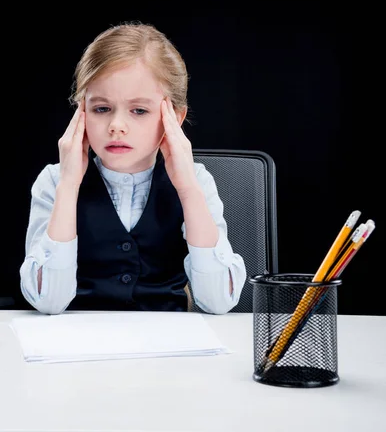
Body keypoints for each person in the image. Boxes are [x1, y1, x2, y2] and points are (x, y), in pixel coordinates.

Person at [19, 22, 246, 315]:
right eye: (101, 109)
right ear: (81, 112)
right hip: (78, 347)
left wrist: (188, 189)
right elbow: (47, 301)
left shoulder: (197, 181)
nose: (116, 126)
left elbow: (218, 302)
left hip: (167, 345)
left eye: (139, 111)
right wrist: (69, 185)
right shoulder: (54, 181)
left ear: (174, 117)